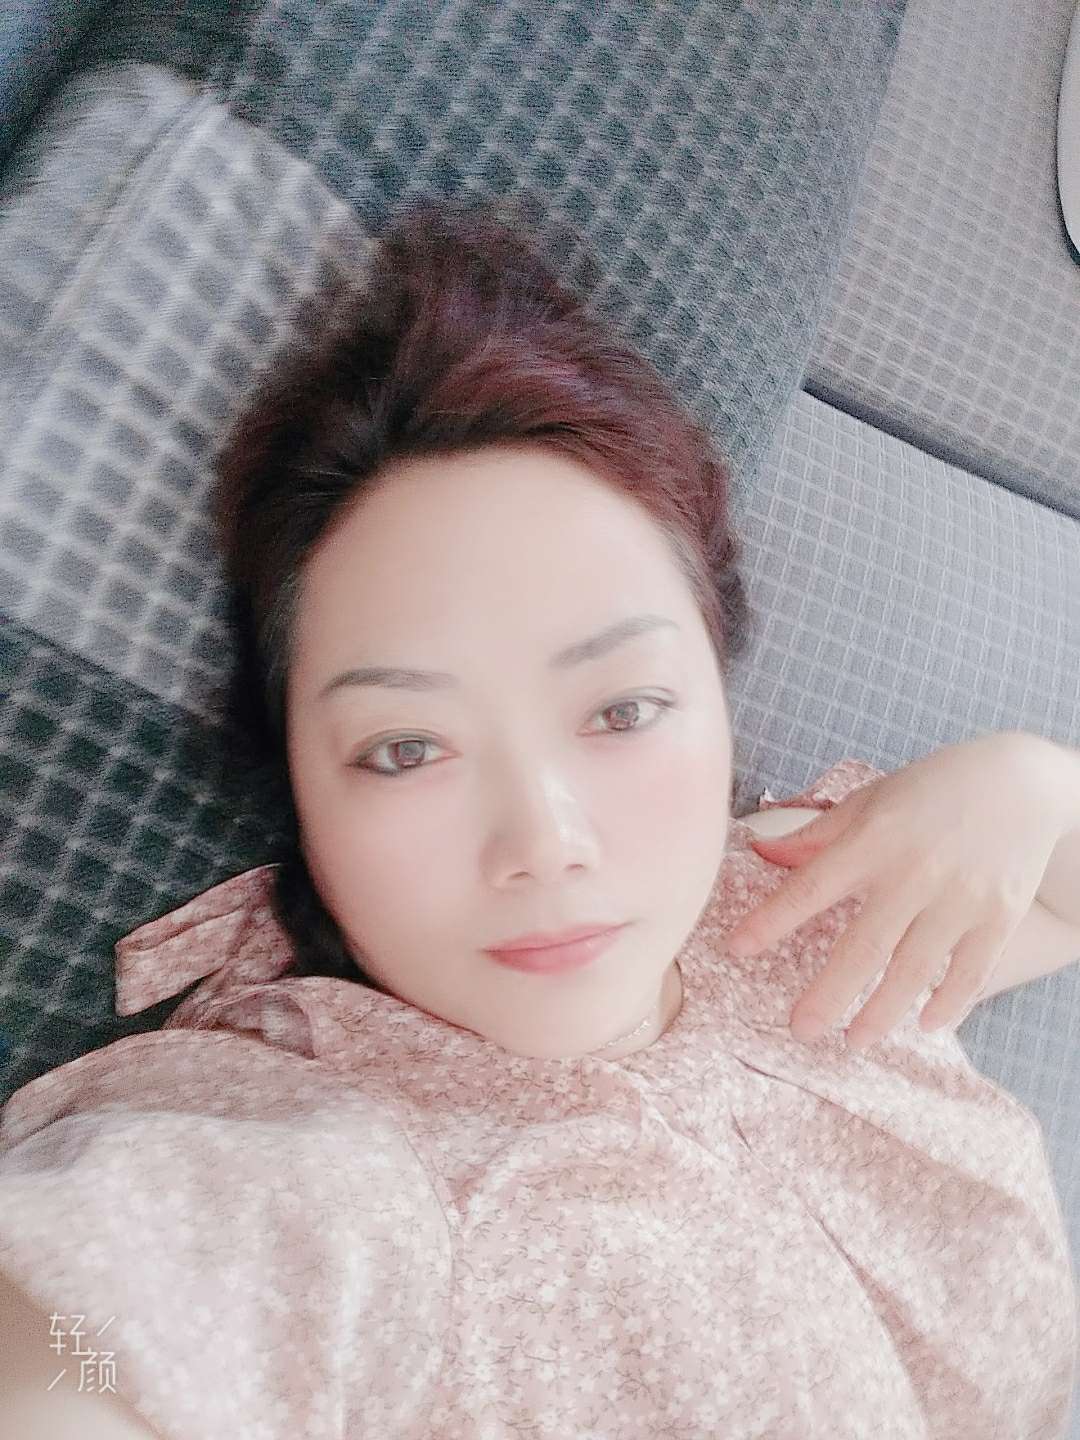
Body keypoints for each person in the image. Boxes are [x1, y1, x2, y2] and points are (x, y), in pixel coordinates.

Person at [0, 199, 1075, 1438]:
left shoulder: (809, 892)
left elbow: (1053, 898)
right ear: (298, 783)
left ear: (721, 691)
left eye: (622, 710)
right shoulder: (315, 1170)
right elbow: (80, 1345)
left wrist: (1032, 785)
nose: (547, 843)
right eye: (406, 750)